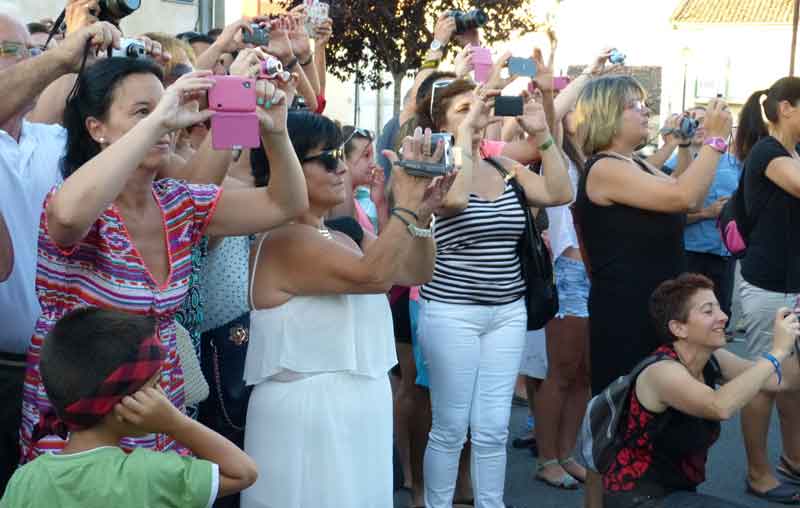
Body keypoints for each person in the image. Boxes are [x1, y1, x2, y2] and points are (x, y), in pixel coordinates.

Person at [19, 56, 309, 462]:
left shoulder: (178, 202)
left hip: (158, 411)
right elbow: (66, 217)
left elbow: (286, 204)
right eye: (143, 111)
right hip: (84, 423)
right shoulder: (78, 202)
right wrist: (159, 120)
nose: (167, 122)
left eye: (167, 107)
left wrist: (276, 132)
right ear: (96, 128)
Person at [242, 112, 454, 508]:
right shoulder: (282, 239)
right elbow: (374, 276)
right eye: (326, 159)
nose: (340, 167)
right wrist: (406, 204)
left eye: (339, 156)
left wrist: (422, 213)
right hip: (310, 415)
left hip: (359, 408)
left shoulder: (342, 233)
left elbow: (415, 271)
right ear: (282, 165)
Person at [415, 67, 572, 505]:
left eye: (478, 105)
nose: (477, 112)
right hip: (452, 312)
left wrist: (543, 135)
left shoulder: (503, 166)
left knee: (493, 428)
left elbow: (559, 193)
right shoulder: (431, 162)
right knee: (451, 427)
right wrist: (465, 139)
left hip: (507, 311)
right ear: (441, 122)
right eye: (463, 108)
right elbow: (454, 201)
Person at [573, 76, 732, 507]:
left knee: (655, 426)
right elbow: (683, 195)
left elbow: (679, 193)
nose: (644, 110)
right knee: (616, 426)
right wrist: (716, 140)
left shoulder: (636, 164)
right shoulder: (604, 168)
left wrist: (687, 147)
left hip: (655, 309)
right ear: (607, 115)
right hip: (626, 314)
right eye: (633, 104)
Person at [0, 14, 113, 494]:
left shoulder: (57, 140)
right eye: (13, 51)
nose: (31, 63)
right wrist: (62, 57)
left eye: (32, 51)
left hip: (59, 371)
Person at [0, 307, 258, 508]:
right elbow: (243, 473)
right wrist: (176, 423)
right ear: (121, 403)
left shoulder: (26, 479)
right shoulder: (148, 474)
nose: (163, 396)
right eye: (155, 385)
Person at [602, 273, 800, 508]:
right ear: (678, 328)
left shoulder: (712, 359)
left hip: (675, 493)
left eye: (719, 308)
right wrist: (776, 352)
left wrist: (792, 341)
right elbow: (719, 406)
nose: (723, 316)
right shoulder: (662, 373)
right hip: (638, 499)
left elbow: (779, 382)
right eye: (708, 311)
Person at [733, 77, 800, 504]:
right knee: (764, 381)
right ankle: (757, 473)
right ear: (787, 108)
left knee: (794, 383)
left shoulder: (793, 153)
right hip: (769, 284)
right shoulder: (768, 152)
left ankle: (793, 460)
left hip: (791, 283)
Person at [663, 106, 741, 320]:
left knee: (722, 314)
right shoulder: (672, 165)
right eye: (693, 121)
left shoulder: (734, 163)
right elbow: (666, 215)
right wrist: (705, 213)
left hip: (724, 254)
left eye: (704, 120)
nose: (698, 126)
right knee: (687, 315)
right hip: (690, 254)